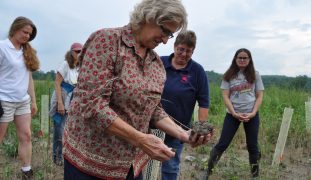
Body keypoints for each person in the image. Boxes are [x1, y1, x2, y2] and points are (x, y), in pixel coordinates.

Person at [62, 0, 213, 179]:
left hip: (131, 165)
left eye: (170, 35)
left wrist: (183, 134)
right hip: (90, 163)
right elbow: (92, 105)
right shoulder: (108, 41)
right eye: (164, 31)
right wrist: (140, 139)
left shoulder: (155, 63)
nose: (165, 40)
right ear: (148, 17)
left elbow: (153, 108)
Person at [205, 48, 264, 179]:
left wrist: (253, 113)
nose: (242, 60)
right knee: (222, 144)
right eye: (240, 58)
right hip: (232, 115)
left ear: (249, 60)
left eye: (245, 58)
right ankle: (207, 173)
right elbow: (225, 96)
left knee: (252, 146)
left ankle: (255, 176)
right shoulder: (229, 75)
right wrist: (234, 112)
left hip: (251, 115)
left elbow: (259, 96)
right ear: (235, 59)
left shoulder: (255, 74)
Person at [160, 30, 210, 180]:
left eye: (189, 51)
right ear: (174, 46)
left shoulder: (197, 71)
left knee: (170, 165)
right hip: (151, 125)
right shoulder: (160, 62)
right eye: (181, 49)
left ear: (193, 51)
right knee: (143, 162)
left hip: (178, 128)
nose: (184, 54)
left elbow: (204, 102)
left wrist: (201, 130)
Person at [0, 16, 39, 180]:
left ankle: (26, 171)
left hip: (23, 101)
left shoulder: (26, 51)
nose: (27, 36)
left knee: (26, 136)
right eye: (25, 32)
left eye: (30, 34)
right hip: (4, 100)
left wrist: (34, 100)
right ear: (15, 29)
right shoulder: (2, 47)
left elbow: (28, 77)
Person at [49, 42, 82, 166]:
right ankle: (57, 158)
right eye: (77, 51)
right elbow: (57, 83)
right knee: (59, 129)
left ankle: (66, 157)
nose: (79, 54)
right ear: (71, 52)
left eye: (81, 52)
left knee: (69, 130)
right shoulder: (65, 64)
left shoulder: (79, 67)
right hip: (62, 96)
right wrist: (60, 104)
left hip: (72, 99)